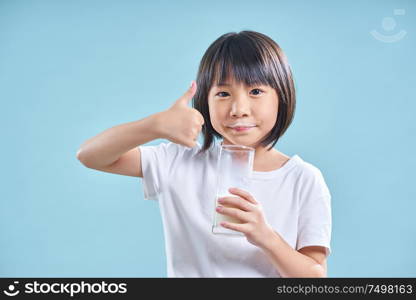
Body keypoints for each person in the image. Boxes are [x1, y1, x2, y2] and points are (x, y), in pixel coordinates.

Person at [76, 30, 332, 278]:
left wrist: (266, 236)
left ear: (282, 96)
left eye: (255, 91)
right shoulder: (179, 161)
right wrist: (154, 125)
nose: (238, 109)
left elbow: (314, 277)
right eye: (223, 93)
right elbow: (90, 155)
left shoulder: (303, 179)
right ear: (204, 102)